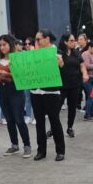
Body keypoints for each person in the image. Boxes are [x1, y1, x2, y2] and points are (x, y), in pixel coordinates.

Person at [0, 34, 32, 158]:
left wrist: (6, 73)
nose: (2, 47)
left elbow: (22, 75)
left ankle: (27, 145)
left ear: (10, 44)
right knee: (9, 119)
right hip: (2, 89)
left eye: (4, 44)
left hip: (15, 90)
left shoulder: (17, 57)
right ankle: (14, 145)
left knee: (18, 118)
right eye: (0, 45)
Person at [30, 29, 65, 162]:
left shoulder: (57, 52)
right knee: (39, 122)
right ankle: (41, 151)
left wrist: (59, 62)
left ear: (47, 39)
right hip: (36, 92)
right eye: (36, 40)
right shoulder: (33, 54)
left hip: (51, 92)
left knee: (54, 121)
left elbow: (62, 67)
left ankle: (60, 151)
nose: (36, 42)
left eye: (38, 39)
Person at [56, 33, 87, 137]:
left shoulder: (77, 53)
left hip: (75, 84)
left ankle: (70, 127)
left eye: (75, 40)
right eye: (72, 40)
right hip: (61, 85)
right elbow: (60, 66)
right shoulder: (59, 52)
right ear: (65, 42)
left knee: (72, 107)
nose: (74, 42)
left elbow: (82, 65)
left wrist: (85, 74)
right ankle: (53, 127)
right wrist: (59, 61)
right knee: (57, 107)